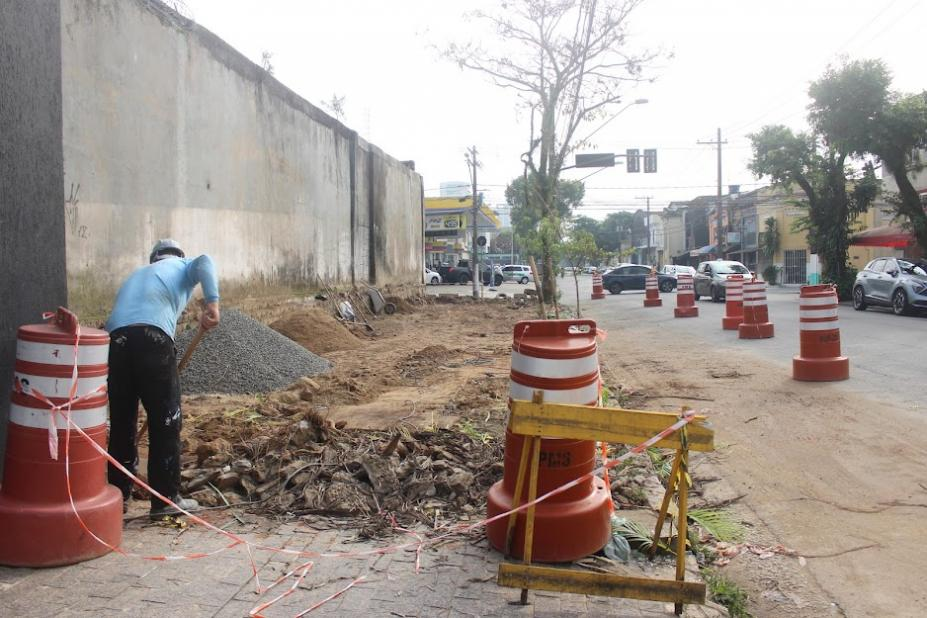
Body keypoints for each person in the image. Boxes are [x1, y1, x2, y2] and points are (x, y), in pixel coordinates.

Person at [105, 239, 220, 519]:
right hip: (152, 338)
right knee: (166, 419)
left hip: (116, 342)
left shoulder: (138, 275)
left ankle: (116, 497)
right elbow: (205, 260)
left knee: (122, 422)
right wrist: (212, 304)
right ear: (177, 256)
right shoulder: (180, 265)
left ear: (153, 258)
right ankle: (166, 500)